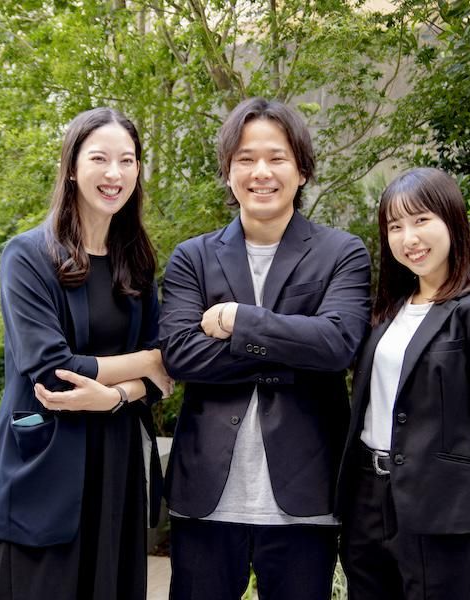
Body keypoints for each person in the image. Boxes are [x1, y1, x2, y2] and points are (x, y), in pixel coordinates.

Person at [159, 97, 371, 600]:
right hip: (206, 496)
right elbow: (180, 354)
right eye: (246, 159)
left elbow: (337, 344)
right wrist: (292, 352)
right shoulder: (193, 257)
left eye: (277, 158)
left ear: (302, 170)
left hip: (305, 493)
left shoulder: (341, 252)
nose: (261, 172)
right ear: (228, 172)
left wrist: (238, 319)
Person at [0, 107, 174, 600]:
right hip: (46, 463)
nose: (115, 173)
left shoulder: (137, 261)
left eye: (127, 160)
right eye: (99, 158)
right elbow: (53, 369)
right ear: (72, 167)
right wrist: (148, 363)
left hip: (116, 465)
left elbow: (166, 370)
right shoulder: (27, 256)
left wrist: (115, 396)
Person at [336, 167, 470, 600]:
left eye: (421, 220)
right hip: (367, 502)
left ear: (452, 220)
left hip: (442, 509)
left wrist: (469, 499)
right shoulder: (386, 311)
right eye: (395, 226)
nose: (409, 238)